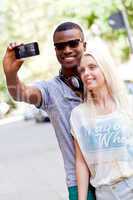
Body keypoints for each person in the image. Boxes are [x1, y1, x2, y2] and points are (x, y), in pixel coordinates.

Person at [3, 22, 95, 200]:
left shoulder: (100, 79)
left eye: (73, 43)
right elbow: (21, 94)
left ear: (84, 45)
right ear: (55, 50)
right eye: (60, 46)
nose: (66, 50)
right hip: (79, 183)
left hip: (112, 177)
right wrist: (10, 74)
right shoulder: (51, 90)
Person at [70, 49, 133, 200]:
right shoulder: (78, 115)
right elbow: (81, 162)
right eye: (82, 70)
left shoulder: (128, 104)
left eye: (92, 67)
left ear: (105, 68)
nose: (86, 73)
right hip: (104, 193)